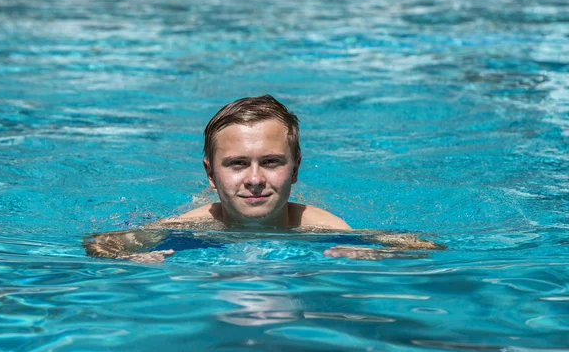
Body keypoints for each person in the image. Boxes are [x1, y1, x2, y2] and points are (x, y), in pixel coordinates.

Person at [84, 95, 444, 262]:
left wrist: (381, 256)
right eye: (237, 164)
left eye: (271, 162)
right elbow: (100, 244)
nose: (255, 179)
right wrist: (126, 259)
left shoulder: (322, 226)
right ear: (210, 174)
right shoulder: (191, 225)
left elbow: (426, 247)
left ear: (296, 168)